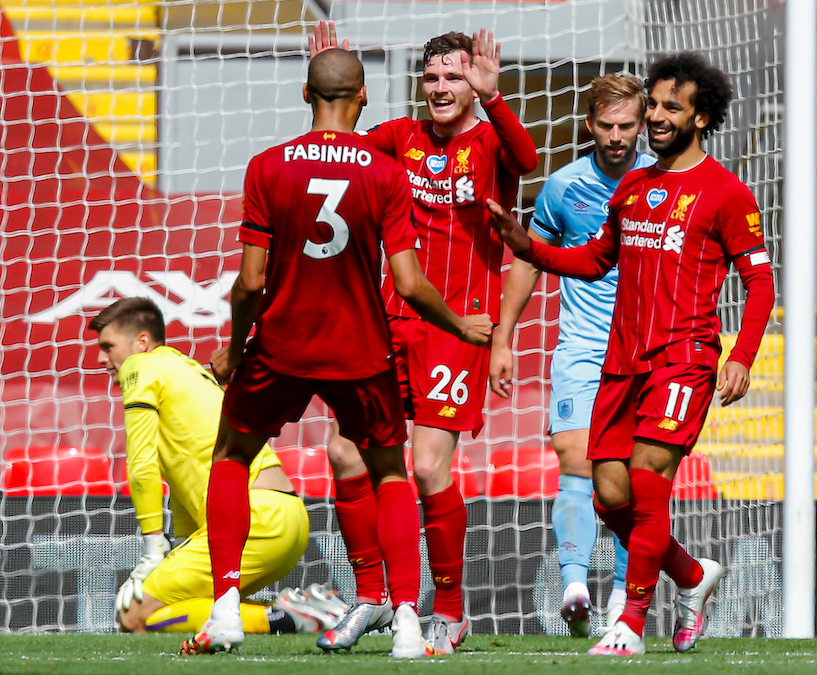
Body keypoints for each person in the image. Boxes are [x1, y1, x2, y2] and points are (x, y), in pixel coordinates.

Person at [179, 48, 492, 659]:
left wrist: (236, 348)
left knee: (232, 456)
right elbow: (407, 283)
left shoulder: (267, 167)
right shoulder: (385, 172)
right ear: (365, 97)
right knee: (391, 472)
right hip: (361, 349)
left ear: (304, 95)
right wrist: (459, 322)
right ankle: (406, 622)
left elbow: (248, 283)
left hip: (282, 344)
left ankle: (224, 610)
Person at [488, 52, 775, 655]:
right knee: (609, 496)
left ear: (701, 118)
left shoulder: (726, 193)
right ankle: (693, 577)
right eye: (655, 104)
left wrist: (742, 354)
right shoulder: (634, 189)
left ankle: (632, 622)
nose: (657, 116)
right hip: (620, 363)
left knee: (646, 482)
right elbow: (593, 260)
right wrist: (528, 247)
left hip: (683, 360)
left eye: (673, 106)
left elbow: (760, 281)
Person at [309, 21, 538, 655]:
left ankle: (450, 609)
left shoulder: (491, 143)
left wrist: (493, 96)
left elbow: (528, 161)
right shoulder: (399, 138)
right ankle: (372, 597)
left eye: (453, 76)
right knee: (346, 455)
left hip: (458, 325)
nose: (440, 87)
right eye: (431, 76)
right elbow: (337, 145)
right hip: (388, 320)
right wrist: (327, 79)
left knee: (429, 465)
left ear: (473, 81)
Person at [489, 74, 651, 637]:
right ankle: (576, 584)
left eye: (626, 125)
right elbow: (530, 259)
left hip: (646, 353)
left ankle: (622, 605)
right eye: (605, 125)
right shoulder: (563, 187)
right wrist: (504, 336)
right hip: (582, 348)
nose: (615, 136)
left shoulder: (664, 184)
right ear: (589, 125)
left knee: (633, 482)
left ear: (642, 124)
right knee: (576, 462)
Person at [90, 297, 347, 638]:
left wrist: (153, 546)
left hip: (254, 520)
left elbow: (141, 462)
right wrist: (182, 543)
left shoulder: (141, 366)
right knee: (193, 604)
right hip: (286, 517)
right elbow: (183, 480)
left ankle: (288, 616)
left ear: (141, 343)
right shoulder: (187, 370)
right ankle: (300, 611)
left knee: (134, 615)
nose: (100, 358)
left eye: (108, 346)